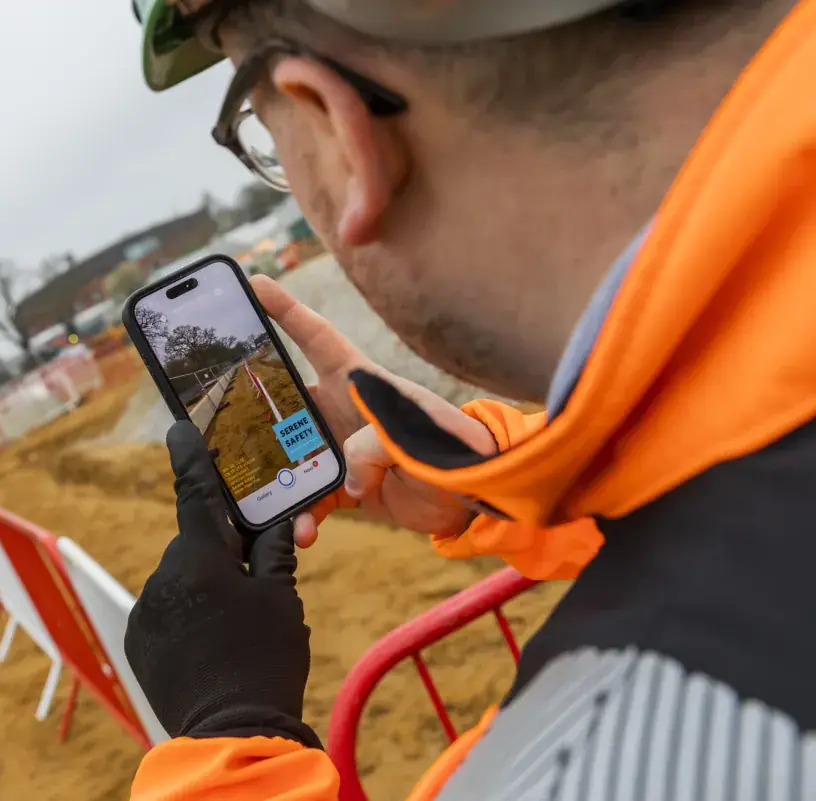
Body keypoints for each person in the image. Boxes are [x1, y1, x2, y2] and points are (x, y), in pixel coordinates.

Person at [122, 0, 816, 798]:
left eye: (264, 135)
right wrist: (497, 484)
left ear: (335, 125)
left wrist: (229, 733)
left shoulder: (587, 757)